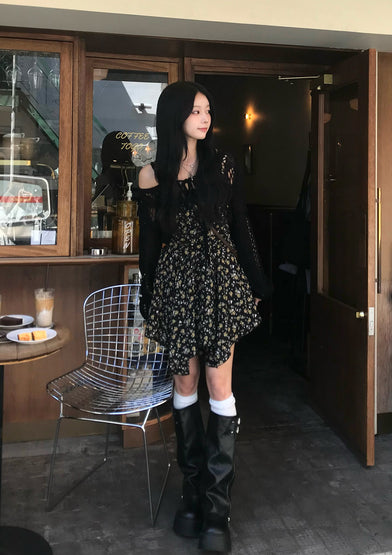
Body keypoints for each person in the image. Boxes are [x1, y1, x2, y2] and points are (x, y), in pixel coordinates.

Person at [138, 81, 271, 553]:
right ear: (175, 115)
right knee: (185, 383)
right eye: (196, 110)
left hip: (219, 282)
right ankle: (191, 495)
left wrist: (258, 284)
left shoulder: (223, 165)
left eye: (208, 110)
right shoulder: (150, 175)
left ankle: (217, 508)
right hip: (176, 288)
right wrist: (148, 296)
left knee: (219, 386)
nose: (205, 118)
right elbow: (149, 245)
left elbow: (241, 227)